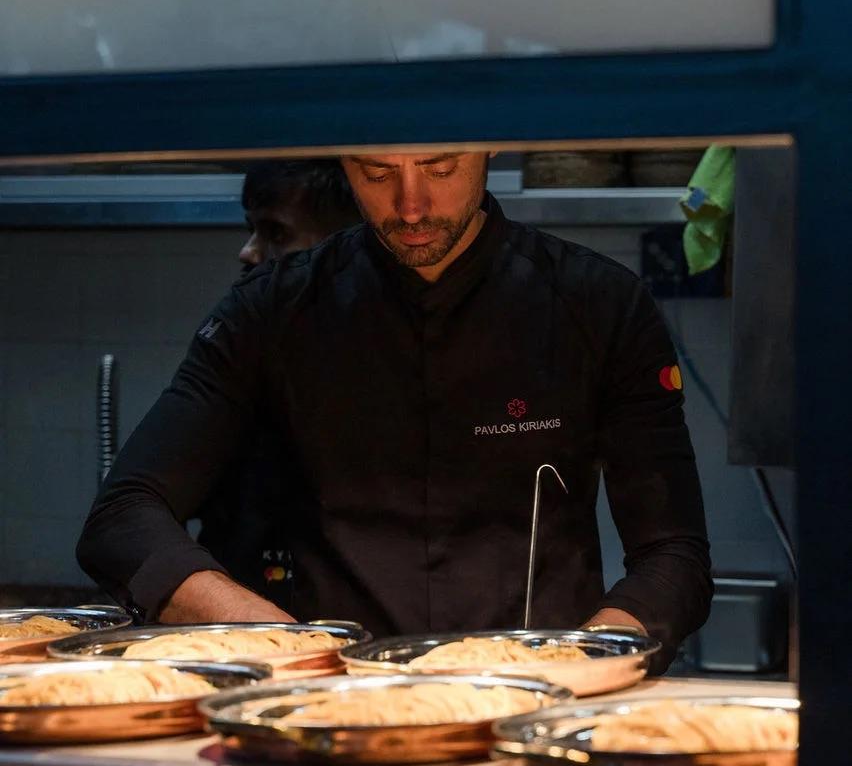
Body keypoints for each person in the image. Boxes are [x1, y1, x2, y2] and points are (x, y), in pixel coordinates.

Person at [77, 150, 712, 662]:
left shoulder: (599, 305)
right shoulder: (269, 312)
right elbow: (123, 518)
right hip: (326, 704)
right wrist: (276, 641)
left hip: (539, 700)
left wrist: (585, 658)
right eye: (377, 173)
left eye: (440, 168)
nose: (411, 205)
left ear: (489, 148)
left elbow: (673, 558)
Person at [194, 158, 361, 608]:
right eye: (252, 230)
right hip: (242, 601)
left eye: (276, 233)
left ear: (349, 241)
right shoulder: (243, 335)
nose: (249, 252)